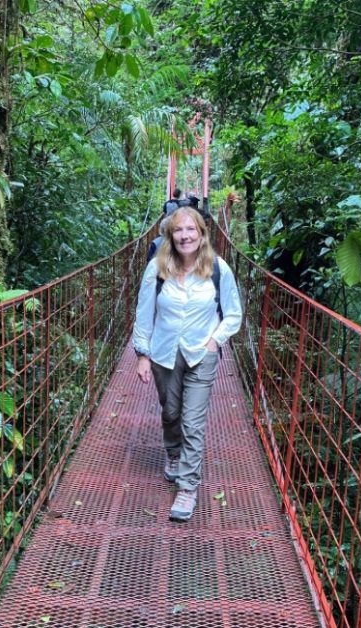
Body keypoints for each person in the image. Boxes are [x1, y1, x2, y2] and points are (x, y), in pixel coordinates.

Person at [132, 207, 242, 521]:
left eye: (191, 230)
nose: (185, 236)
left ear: (202, 234)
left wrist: (214, 342)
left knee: (193, 422)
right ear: (170, 235)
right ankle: (173, 452)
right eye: (179, 231)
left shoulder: (219, 269)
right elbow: (144, 313)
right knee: (170, 411)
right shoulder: (156, 269)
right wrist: (142, 354)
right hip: (164, 352)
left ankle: (188, 487)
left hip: (201, 354)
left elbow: (233, 313)